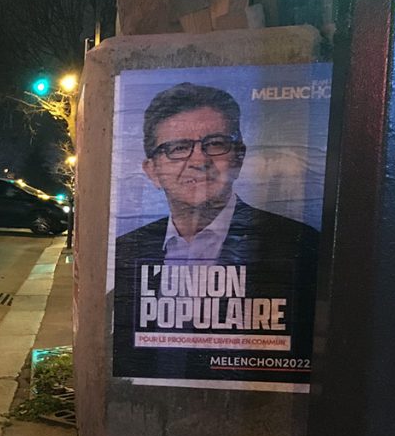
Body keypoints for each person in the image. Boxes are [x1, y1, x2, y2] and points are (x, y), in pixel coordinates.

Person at [113, 82, 320, 381]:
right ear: (152, 170)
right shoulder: (127, 249)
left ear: (238, 157)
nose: (198, 161)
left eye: (215, 143)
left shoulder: (298, 244)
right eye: (178, 148)